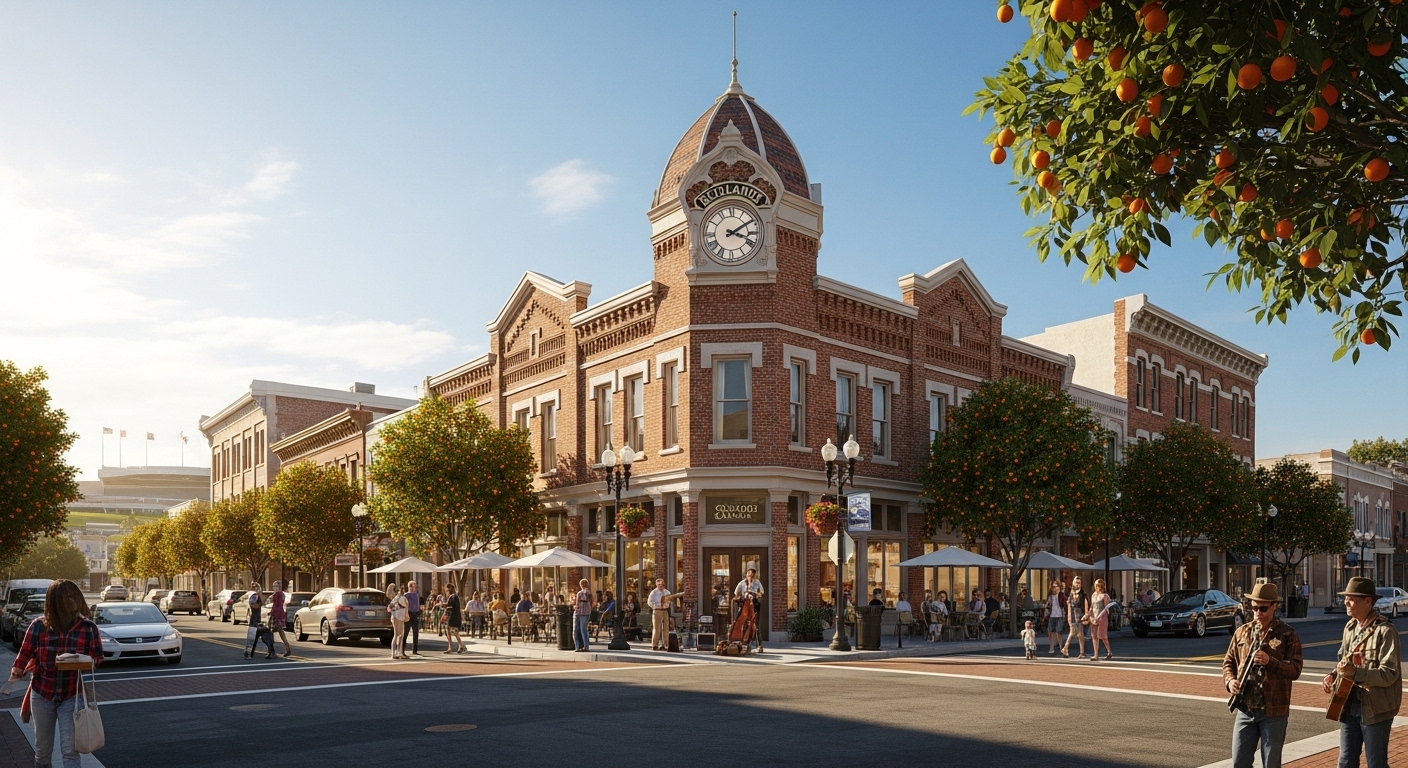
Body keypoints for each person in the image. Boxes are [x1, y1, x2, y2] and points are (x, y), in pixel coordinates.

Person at [9, 580, 102, 768]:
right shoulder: (38, 626)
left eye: (74, 595)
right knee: (42, 752)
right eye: (67, 597)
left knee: (70, 751)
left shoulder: (88, 628)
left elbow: (97, 658)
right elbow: (24, 654)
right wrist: (17, 670)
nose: (73, 600)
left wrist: (80, 661)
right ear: (55, 602)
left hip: (72, 697)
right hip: (42, 694)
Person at [1320, 577, 1402, 768]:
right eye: (1346, 598)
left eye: (1351, 599)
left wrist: (1356, 673)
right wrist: (1332, 675)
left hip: (1375, 709)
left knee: (1376, 763)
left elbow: (1389, 673)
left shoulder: (1385, 631)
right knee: (1346, 762)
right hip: (1348, 705)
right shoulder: (1349, 627)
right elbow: (1342, 660)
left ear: (1368, 601)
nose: (1346, 602)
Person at [1223, 582, 1303, 768]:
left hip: (1273, 710)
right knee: (1239, 762)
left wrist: (1270, 662)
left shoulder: (1288, 634)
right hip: (1246, 707)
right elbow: (1228, 662)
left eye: (1263, 608)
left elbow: (1295, 670)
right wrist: (1230, 681)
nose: (1257, 612)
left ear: (1275, 606)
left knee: (1271, 763)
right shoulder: (1242, 631)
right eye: (1254, 607)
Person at [1063, 576, 1091, 659]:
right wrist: (1069, 616)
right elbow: (1068, 605)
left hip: (1079, 613)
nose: (1077, 584)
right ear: (1073, 583)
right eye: (1076, 582)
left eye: (1079, 583)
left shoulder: (1083, 593)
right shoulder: (1070, 593)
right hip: (1073, 614)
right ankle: (1066, 648)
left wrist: (1086, 614)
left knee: (1080, 634)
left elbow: (1086, 603)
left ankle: (1081, 652)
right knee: (1073, 632)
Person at [1089, 578, 1113, 662]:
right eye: (1096, 585)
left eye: (1098, 586)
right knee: (1094, 636)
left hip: (1102, 618)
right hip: (1094, 617)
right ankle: (1096, 655)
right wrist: (1089, 615)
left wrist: (1100, 618)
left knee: (1102, 636)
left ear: (1101, 586)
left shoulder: (1105, 596)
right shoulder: (1093, 595)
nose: (1096, 587)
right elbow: (1091, 607)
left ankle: (1109, 651)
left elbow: (1106, 609)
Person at [647, 577, 672, 651]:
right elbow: (649, 602)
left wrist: (666, 604)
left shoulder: (667, 592)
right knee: (657, 628)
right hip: (657, 610)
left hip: (665, 610)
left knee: (666, 628)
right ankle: (655, 645)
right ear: (657, 585)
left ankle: (665, 644)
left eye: (662, 584)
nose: (661, 586)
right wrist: (657, 605)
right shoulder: (653, 593)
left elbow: (669, 601)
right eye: (659, 584)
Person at [268, 580, 291, 658]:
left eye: (276, 586)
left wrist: (272, 612)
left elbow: (276, 605)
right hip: (280, 613)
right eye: (274, 586)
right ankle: (287, 648)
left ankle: (272, 650)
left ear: (279, 587)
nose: (274, 588)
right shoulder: (282, 594)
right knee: (280, 632)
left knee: (270, 631)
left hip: (277, 615)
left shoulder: (278, 594)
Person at [386, 582, 409, 660]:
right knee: (397, 635)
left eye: (403, 588)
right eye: (401, 588)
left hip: (400, 617)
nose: (403, 590)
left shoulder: (399, 598)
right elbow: (402, 606)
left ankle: (398, 652)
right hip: (397, 617)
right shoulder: (399, 598)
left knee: (400, 635)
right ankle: (394, 653)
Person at [1046, 581, 1067, 655]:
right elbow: (1048, 606)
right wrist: (1046, 614)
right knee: (1050, 632)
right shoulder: (1051, 597)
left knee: (1058, 632)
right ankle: (1051, 647)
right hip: (1052, 615)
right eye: (1053, 587)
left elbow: (1064, 604)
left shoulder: (1062, 596)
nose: (1055, 588)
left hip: (1060, 615)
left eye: (1056, 586)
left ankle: (1061, 647)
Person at [443, 584, 464, 654]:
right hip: (455, 616)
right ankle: (456, 646)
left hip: (452, 616)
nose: (446, 591)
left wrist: (444, 605)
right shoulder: (454, 596)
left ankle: (454, 647)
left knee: (452, 631)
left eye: (446, 589)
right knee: (452, 631)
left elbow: (451, 605)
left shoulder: (453, 597)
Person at [573, 579, 593, 652]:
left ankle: (579, 646)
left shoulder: (582, 593)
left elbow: (585, 595)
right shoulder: (588, 593)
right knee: (582, 630)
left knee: (579, 630)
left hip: (581, 612)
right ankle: (583, 646)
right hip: (583, 612)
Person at [404, 580, 422, 656]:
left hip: (415, 615)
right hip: (408, 614)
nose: (412, 588)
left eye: (414, 586)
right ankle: (402, 648)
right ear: (408, 587)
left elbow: (417, 605)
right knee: (405, 632)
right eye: (411, 586)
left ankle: (415, 649)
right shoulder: (406, 595)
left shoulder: (416, 595)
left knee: (416, 633)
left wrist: (419, 612)